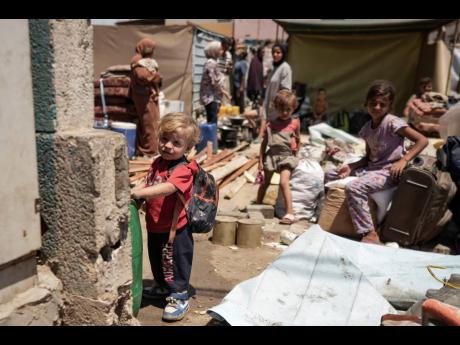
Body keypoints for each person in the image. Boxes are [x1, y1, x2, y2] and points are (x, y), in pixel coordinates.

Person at [325, 80, 428, 244]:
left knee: (354, 187)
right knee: (331, 174)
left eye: (382, 104)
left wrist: (403, 160)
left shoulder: (393, 123)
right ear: (366, 103)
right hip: (371, 169)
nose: (377, 107)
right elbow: (367, 158)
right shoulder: (366, 129)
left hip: (389, 172)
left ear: (390, 106)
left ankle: (370, 232)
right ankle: (329, 218)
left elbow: (422, 140)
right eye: (373, 103)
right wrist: (350, 167)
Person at [130, 112, 200, 322]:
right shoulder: (157, 163)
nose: (168, 146)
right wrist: (135, 189)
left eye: (176, 143)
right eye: (164, 139)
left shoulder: (184, 169)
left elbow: (168, 187)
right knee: (157, 259)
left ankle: (179, 294)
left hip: (175, 229)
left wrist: (139, 193)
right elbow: (150, 182)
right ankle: (162, 286)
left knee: (175, 262)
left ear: (187, 148)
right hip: (155, 224)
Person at [256, 90, 300, 225]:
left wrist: (296, 153)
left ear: (293, 108)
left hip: (286, 157)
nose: (285, 112)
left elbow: (298, 139)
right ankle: (257, 207)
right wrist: (260, 160)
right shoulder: (271, 124)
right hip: (272, 156)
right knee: (265, 184)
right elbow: (264, 144)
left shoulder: (295, 123)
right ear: (276, 108)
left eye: (288, 109)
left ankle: (290, 213)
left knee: (283, 183)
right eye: (282, 109)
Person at [130, 38, 163, 156]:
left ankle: (148, 148)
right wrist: (156, 76)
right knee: (149, 122)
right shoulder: (137, 60)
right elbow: (142, 76)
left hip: (149, 95)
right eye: (150, 50)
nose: (151, 53)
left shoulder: (145, 60)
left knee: (152, 121)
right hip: (143, 96)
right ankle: (149, 150)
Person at [260, 43, 293, 141]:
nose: (275, 54)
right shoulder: (275, 68)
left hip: (278, 107)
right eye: (273, 52)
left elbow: (286, 89)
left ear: (283, 54)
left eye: (278, 52)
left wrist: (278, 104)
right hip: (270, 104)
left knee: (276, 134)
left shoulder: (285, 68)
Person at [199, 41, 231, 124]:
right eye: (220, 49)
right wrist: (225, 92)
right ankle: (211, 136)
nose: (222, 51)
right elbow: (215, 81)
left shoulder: (212, 62)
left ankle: (211, 136)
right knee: (212, 120)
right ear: (214, 51)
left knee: (212, 119)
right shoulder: (211, 63)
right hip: (210, 97)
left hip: (211, 96)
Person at [218, 38, 233, 105]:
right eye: (226, 46)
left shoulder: (229, 55)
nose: (228, 48)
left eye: (229, 46)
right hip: (216, 77)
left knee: (224, 100)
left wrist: (229, 68)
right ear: (222, 44)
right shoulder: (217, 52)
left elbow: (228, 71)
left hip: (224, 78)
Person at [233, 50, 248, 114]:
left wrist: (241, 86)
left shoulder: (243, 63)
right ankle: (237, 113)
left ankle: (241, 113)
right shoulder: (238, 61)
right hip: (235, 83)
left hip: (239, 84)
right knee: (236, 99)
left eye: (240, 53)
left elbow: (243, 76)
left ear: (242, 55)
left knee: (240, 100)